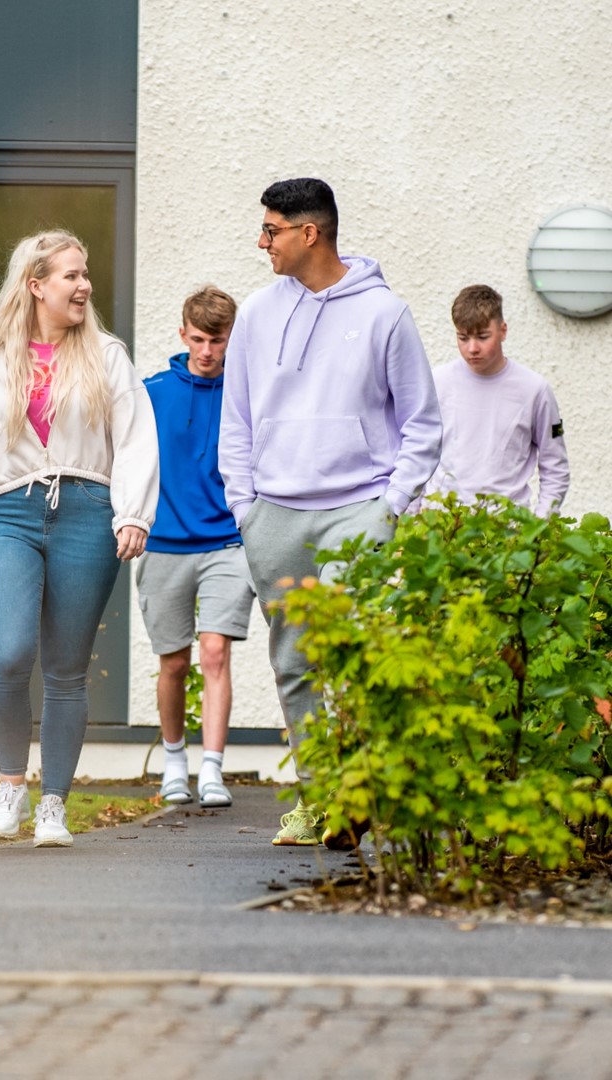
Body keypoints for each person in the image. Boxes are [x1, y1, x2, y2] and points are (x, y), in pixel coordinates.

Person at [218, 178, 442, 848]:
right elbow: (237, 420)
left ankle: (364, 789)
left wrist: (390, 507)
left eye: (271, 230)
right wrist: (244, 505)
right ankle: (323, 802)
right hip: (274, 516)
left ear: (308, 233)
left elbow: (422, 424)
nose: (263, 243)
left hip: (357, 511)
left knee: (362, 657)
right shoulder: (258, 313)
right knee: (294, 663)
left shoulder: (385, 315)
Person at [0, 229, 159, 848]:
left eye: (86, 275)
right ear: (36, 284)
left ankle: (53, 803)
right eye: (72, 276)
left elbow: (134, 441)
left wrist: (132, 513)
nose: (85, 286)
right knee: (12, 652)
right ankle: (10, 787)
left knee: (66, 671)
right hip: (10, 513)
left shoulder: (106, 355)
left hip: (87, 511)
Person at [138, 286, 254, 809]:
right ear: (182, 333)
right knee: (174, 663)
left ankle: (212, 769)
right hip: (163, 543)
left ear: (232, 339)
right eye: (200, 339)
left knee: (214, 652)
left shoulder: (246, 393)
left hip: (227, 541)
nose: (208, 351)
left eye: (219, 340)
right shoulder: (151, 393)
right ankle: (175, 761)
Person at [419, 284, 569, 516]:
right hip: (441, 525)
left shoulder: (534, 389)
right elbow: (418, 453)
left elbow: (555, 467)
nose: (472, 348)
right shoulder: (437, 382)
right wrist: (409, 518)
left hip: (506, 532)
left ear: (503, 330)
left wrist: (539, 527)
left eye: (482, 337)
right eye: (463, 337)